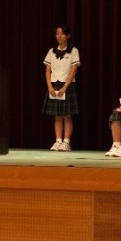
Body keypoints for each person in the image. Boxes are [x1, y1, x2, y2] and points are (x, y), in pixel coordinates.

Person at [42, 24, 80, 152]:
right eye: (57, 33)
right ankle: (58, 141)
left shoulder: (74, 51)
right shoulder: (51, 51)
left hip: (67, 85)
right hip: (53, 84)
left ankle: (66, 142)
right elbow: (47, 70)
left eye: (62, 33)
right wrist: (50, 86)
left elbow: (73, 70)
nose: (59, 36)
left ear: (68, 36)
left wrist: (64, 87)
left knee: (67, 115)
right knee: (57, 115)